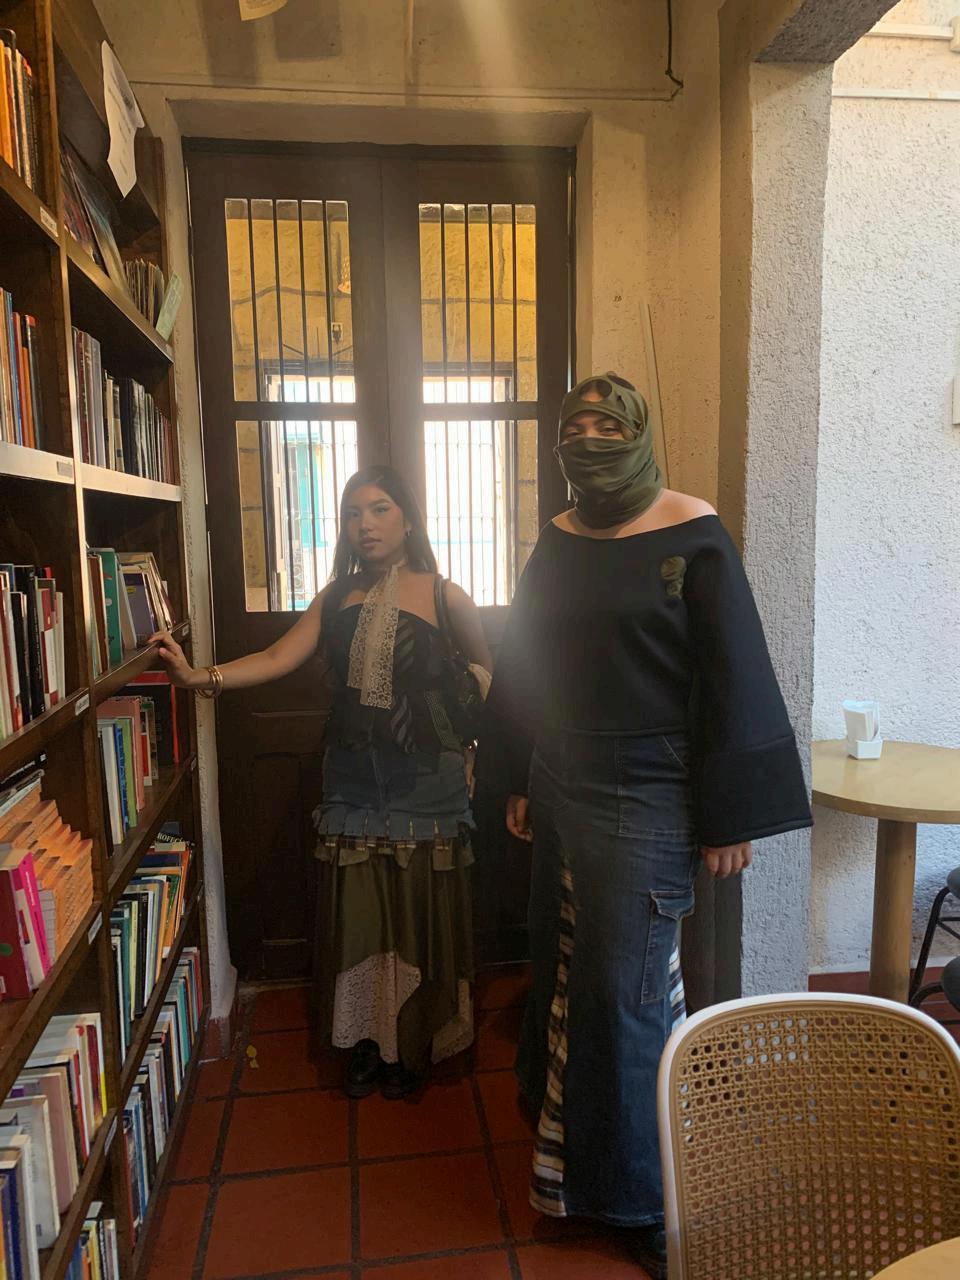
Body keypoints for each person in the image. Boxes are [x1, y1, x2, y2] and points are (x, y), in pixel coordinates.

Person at [478, 373, 812, 1277]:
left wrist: (729, 813)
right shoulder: (559, 537)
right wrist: (517, 773)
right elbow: (526, 657)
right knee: (563, 963)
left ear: (637, 433)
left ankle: (642, 1200)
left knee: (626, 995)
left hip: (651, 784)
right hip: (560, 773)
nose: (589, 438)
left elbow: (735, 671)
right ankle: (569, 1152)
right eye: (575, 425)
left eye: (606, 424)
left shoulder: (692, 528)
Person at [151, 465, 491, 1100]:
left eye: (380, 509)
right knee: (362, 913)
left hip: (428, 783)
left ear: (408, 519)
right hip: (353, 780)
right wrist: (201, 678)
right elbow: (278, 656)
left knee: (420, 909)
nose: (365, 524)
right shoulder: (335, 597)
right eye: (353, 513)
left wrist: (473, 755)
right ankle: (366, 1039)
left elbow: (485, 676)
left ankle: (414, 1036)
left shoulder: (447, 595)